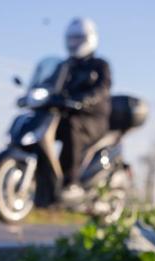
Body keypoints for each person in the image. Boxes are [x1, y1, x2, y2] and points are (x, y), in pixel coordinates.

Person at [54, 17, 111, 200]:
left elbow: (103, 88)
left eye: (78, 39)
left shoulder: (100, 65)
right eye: (72, 39)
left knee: (72, 126)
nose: (74, 43)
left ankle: (71, 182)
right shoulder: (65, 67)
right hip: (68, 114)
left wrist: (87, 99)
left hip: (93, 119)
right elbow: (51, 85)